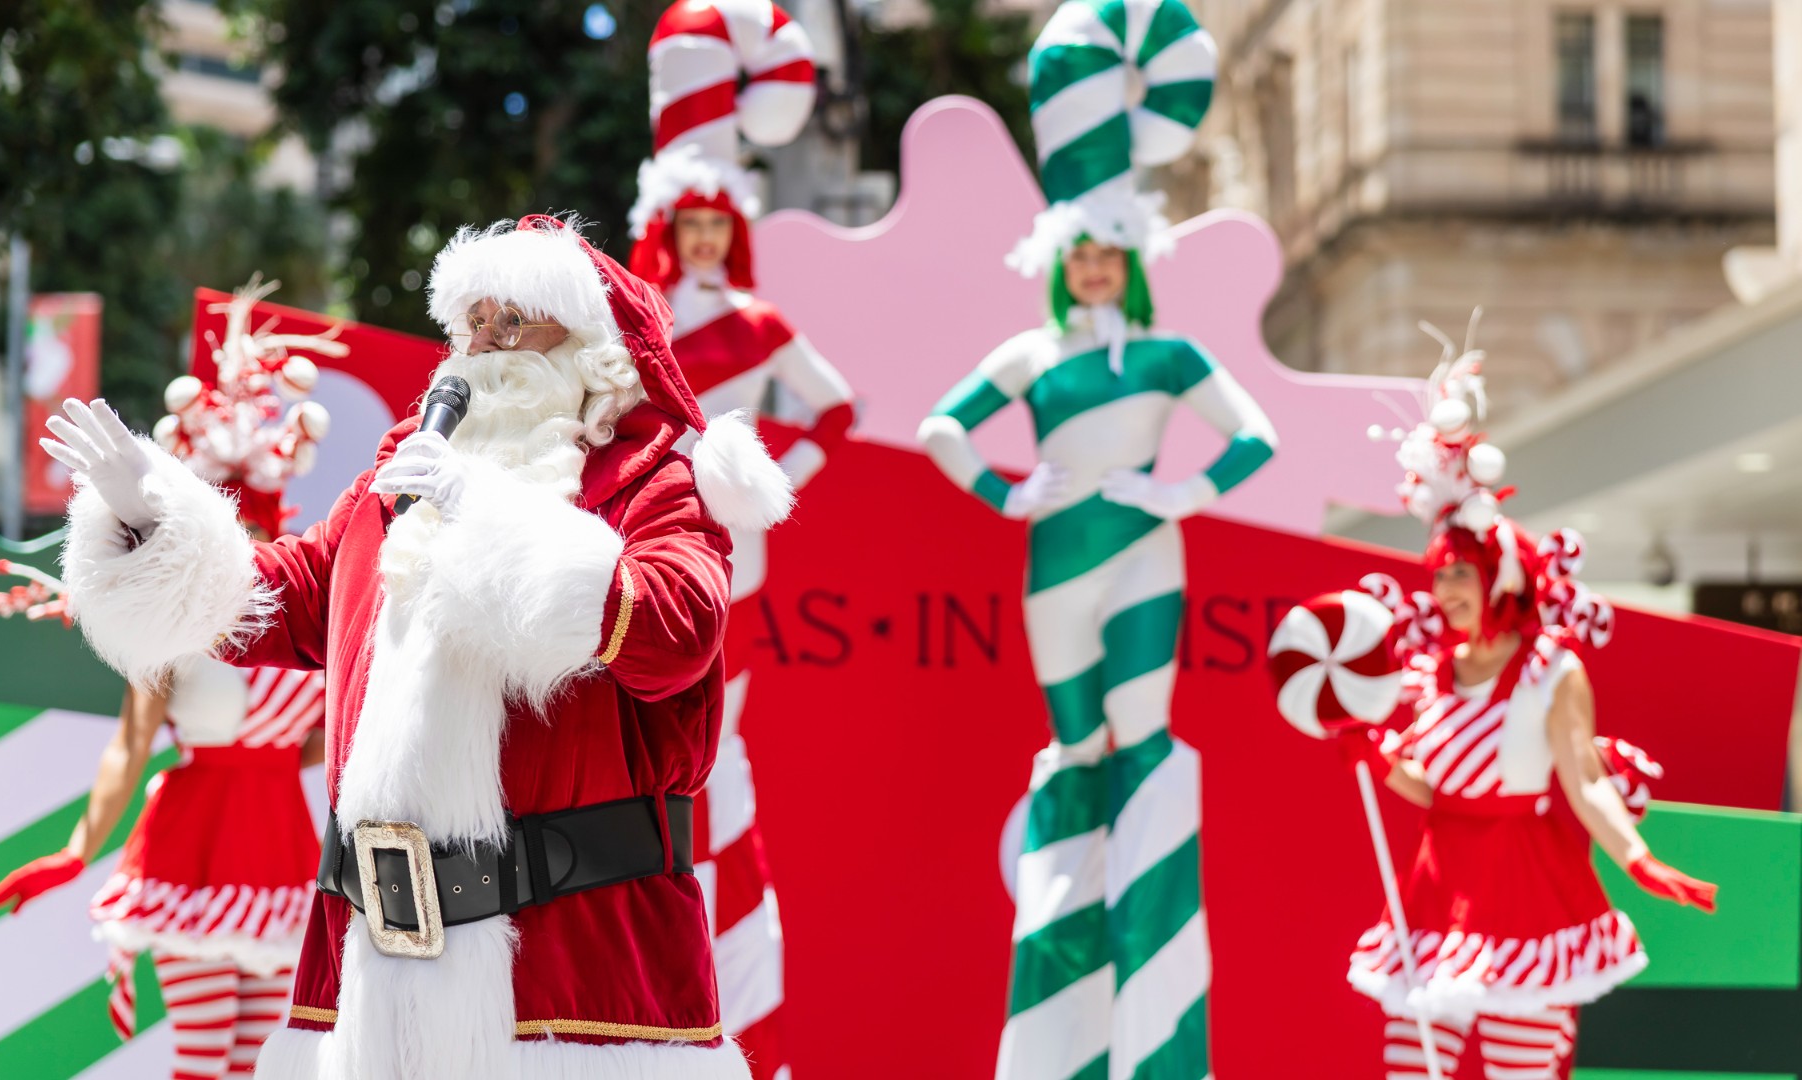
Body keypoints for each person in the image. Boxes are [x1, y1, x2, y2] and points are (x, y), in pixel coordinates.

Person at [41, 216, 793, 1079]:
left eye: (512, 323)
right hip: (374, 977)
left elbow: (677, 631)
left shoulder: (652, 483)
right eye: (471, 323)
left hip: (571, 978)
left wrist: (490, 517)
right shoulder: (396, 486)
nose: (481, 347)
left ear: (593, 350)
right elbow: (271, 599)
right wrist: (151, 523)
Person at [917, 4, 1268, 1076]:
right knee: (1075, 755)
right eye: (1086, 262)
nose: (1099, 276)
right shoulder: (1030, 353)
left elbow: (1256, 436)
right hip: (1051, 581)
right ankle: (1063, 1021)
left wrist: (1181, 493)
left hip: (1146, 566)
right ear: (1063, 263)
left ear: (1133, 261)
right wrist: (1006, 491)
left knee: (1147, 747)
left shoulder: (1169, 356)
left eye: (1114, 261)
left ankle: (1157, 1025)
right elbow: (940, 427)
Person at [1342, 322, 1717, 1080]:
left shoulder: (1552, 669)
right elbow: (1434, 787)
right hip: (1436, 888)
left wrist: (1637, 859)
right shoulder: (1429, 673)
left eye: (1461, 574)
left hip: (1525, 893)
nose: (1444, 590)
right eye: (1439, 574)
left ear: (1503, 580)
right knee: (1410, 1071)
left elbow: (1580, 780)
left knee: (1524, 1070)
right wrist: (1364, 751)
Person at [0, 278, 336, 1079]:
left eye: (253, 529)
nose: (242, 543)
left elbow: (326, 738)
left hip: (281, 850)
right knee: (202, 1058)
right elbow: (130, 743)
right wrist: (81, 849)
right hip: (192, 848)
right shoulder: (175, 626)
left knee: (261, 1064)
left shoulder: (300, 618)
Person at [626, 4, 839, 1073]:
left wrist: (764, 486)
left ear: (735, 230)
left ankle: (728, 974)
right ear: (670, 228)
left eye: (719, 226)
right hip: (642, 560)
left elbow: (835, 408)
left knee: (719, 755)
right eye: (690, 226)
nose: (704, 241)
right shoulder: (632, 327)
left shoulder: (758, 328)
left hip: (733, 570)